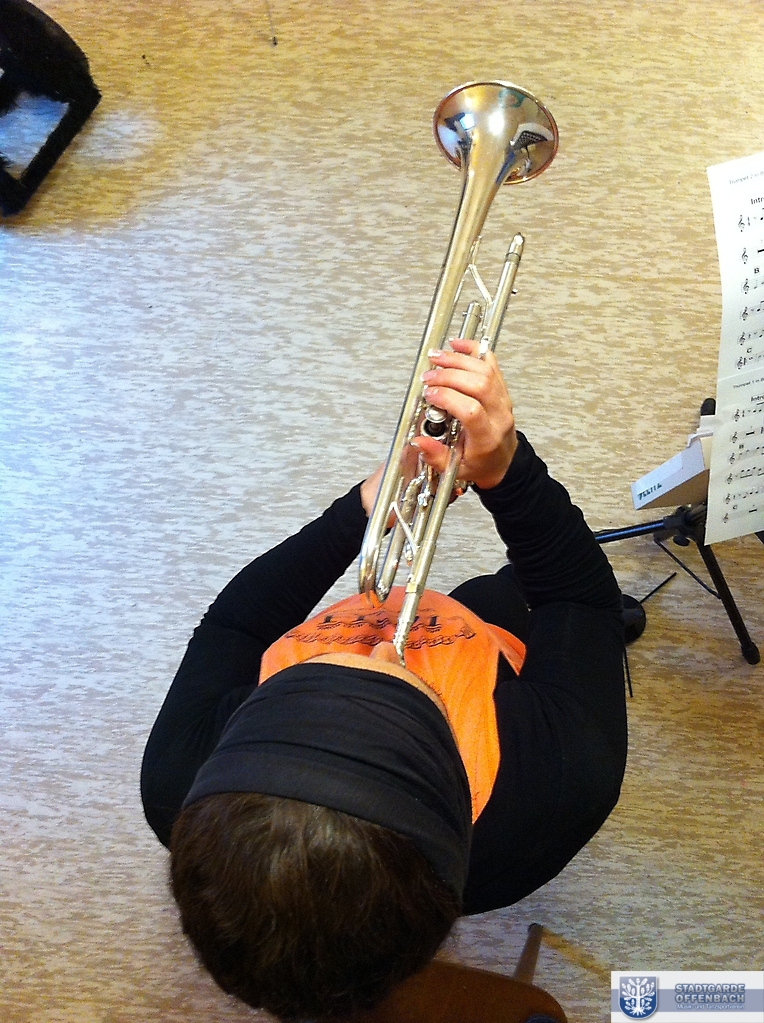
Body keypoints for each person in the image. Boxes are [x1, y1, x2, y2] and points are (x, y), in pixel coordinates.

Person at [140, 338, 627, 1021]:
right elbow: (579, 598)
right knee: (504, 597)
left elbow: (235, 629)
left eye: (309, 671)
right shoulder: (560, 778)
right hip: (501, 643)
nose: (383, 637)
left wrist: (359, 512)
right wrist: (508, 473)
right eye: (407, 687)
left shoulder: (177, 781)